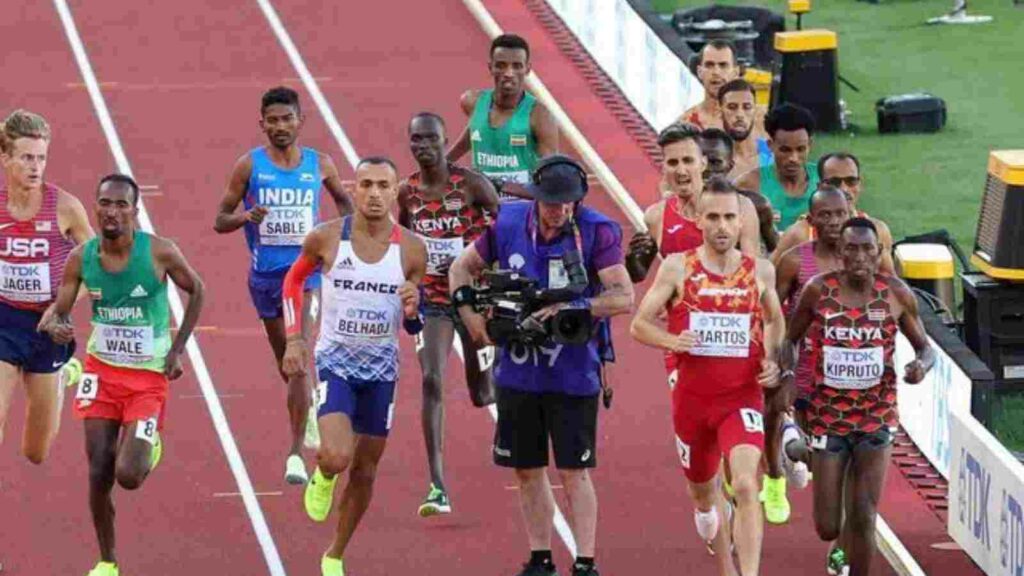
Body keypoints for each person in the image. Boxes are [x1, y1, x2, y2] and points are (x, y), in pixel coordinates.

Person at [448, 155, 634, 576]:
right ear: (536, 197)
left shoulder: (597, 230)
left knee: (574, 471)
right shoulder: (509, 223)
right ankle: (540, 558)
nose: (561, 211)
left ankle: (585, 562)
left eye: (570, 202)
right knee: (527, 469)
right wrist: (473, 321)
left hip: (574, 371)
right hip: (518, 370)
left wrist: (575, 305)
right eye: (553, 203)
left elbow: (623, 296)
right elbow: (461, 268)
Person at [42, 174, 205, 576]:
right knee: (99, 470)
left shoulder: (160, 253)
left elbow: (197, 289)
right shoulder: (82, 257)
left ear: (135, 210)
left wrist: (178, 347)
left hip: (147, 379)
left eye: (120, 204)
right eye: (104, 203)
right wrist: (56, 325)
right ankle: (107, 560)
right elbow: (57, 311)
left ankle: (148, 445)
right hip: (102, 373)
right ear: (95, 208)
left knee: (128, 475)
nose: (111, 211)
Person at [630, 177, 784, 576]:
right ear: (699, 220)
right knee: (704, 493)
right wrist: (674, 340)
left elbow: (774, 321)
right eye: (712, 217)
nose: (721, 226)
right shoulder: (678, 268)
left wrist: (770, 357)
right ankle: (709, 523)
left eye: (729, 217)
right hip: (693, 404)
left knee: (747, 484)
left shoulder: (759, 272)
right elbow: (639, 325)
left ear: (740, 224)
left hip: (741, 398)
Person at [282, 157, 426, 576]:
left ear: (396, 191)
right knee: (338, 455)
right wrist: (295, 339)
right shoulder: (326, 238)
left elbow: (416, 320)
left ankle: (335, 554)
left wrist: (416, 309)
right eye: (366, 184)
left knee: (366, 468)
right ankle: (323, 474)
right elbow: (293, 282)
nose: (375, 193)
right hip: (335, 362)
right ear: (355, 188)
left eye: (384, 185)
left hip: (382, 371)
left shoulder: (413, 249)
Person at [214, 86, 352, 485]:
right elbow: (219, 219)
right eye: (272, 120)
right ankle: (307, 409)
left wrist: (344, 239)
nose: (280, 126)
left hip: (304, 277)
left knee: (297, 358)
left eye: (286, 118)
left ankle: (295, 454)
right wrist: (246, 218)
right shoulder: (249, 167)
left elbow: (345, 205)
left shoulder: (319, 165)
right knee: (287, 364)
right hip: (264, 280)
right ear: (262, 125)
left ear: (300, 120)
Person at [782, 217, 934, 576]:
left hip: (876, 419)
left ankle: (849, 566)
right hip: (828, 418)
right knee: (828, 526)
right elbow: (790, 340)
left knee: (864, 515)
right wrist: (787, 375)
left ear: (880, 252)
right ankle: (796, 447)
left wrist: (920, 367)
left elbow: (926, 349)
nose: (860, 257)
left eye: (868, 249)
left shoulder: (895, 294)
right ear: (840, 252)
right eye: (851, 249)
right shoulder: (818, 291)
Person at [397, 112, 499, 516]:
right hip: (433, 299)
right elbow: (404, 237)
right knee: (432, 378)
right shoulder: (407, 192)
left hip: (473, 296)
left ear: (444, 141)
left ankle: (498, 380)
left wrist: (486, 266)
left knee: (482, 394)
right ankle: (436, 484)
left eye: (431, 139)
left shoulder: (471, 184)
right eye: (416, 139)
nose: (424, 146)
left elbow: (503, 225)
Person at [0, 109, 93, 466]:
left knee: (35, 452)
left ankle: (64, 374)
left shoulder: (66, 208)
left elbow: (96, 265)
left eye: (41, 158)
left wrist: (63, 305)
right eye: (26, 157)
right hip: (5, 320)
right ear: (6, 158)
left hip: (48, 326)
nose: (36, 166)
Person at [761, 185, 851, 525]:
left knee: (822, 455)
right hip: (797, 358)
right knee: (772, 410)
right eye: (824, 215)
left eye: (839, 213)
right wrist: (778, 359)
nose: (833, 221)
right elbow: (772, 313)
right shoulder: (795, 260)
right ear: (810, 219)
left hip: (839, 368)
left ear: (849, 216)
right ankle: (773, 477)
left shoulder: (860, 260)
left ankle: (794, 449)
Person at [625, 123, 760, 285]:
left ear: (703, 163)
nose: (681, 171)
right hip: (679, 309)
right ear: (664, 167)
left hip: (729, 305)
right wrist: (632, 260)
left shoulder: (741, 207)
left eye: (688, 161)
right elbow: (638, 276)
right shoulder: (656, 216)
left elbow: (752, 274)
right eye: (673, 163)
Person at [447, 33, 559, 200]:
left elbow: (550, 181)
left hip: (520, 211)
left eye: (516, 66)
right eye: (501, 65)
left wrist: (499, 185)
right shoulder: (472, 102)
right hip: (482, 211)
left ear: (527, 69)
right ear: (490, 67)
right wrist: (438, 165)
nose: (508, 73)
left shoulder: (540, 116)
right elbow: (474, 134)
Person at [773, 152, 895, 273]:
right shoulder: (798, 234)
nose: (844, 189)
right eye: (835, 182)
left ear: (859, 184)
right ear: (820, 186)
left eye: (851, 181)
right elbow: (768, 282)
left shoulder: (879, 231)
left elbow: (892, 284)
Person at [735, 103, 819, 232]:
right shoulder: (748, 185)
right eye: (785, 150)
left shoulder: (824, 180)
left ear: (810, 144)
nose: (793, 158)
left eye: (801, 149)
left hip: (812, 252)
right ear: (770, 145)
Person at [699, 127, 776, 253]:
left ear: (729, 167)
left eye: (715, 162)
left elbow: (776, 253)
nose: (706, 168)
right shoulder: (677, 207)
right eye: (701, 162)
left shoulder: (757, 206)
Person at [678, 41, 741, 130]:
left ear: (735, 72)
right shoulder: (685, 124)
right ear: (699, 72)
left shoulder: (758, 121)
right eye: (709, 65)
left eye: (723, 65)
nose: (716, 72)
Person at [718, 79, 772, 181]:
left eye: (747, 107)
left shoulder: (773, 154)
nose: (740, 115)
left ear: (755, 110)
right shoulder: (711, 157)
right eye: (732, 107)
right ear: (720, 111)